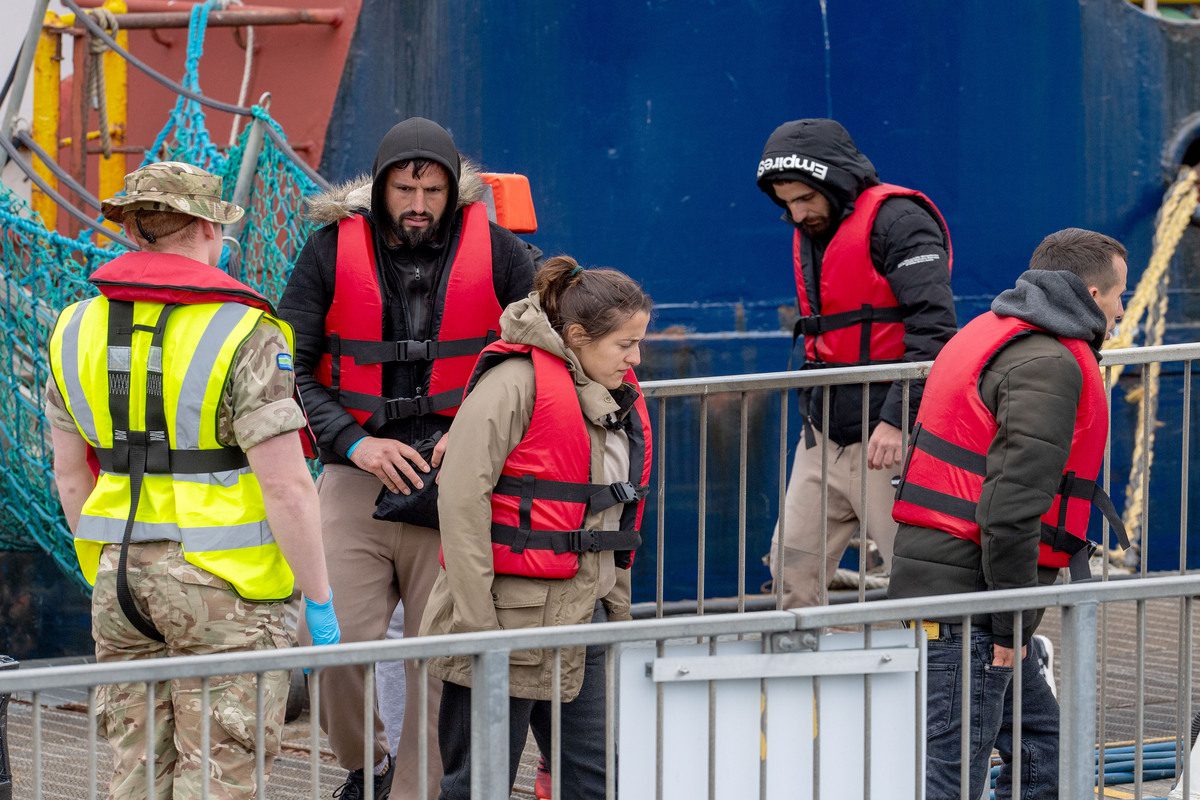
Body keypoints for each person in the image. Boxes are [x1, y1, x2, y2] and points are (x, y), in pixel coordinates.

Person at [45, 161, 341, 800]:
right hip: (228, 587)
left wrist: (106, 565)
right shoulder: (244, 332)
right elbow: (287, 486)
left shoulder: (73, 328)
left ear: (132, 231)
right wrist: (318, 599)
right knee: (220, 779)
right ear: (209, 228)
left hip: (119, 580)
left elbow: (71, 476)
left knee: (134, 774)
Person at [280, 116, 537, 800]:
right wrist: (356, 443)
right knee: (333, 645)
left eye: (431, 189)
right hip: (352, 476)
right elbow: (288, 368)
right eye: (404, 187)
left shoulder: (507, 256)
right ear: (381, 187)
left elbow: (535, 360)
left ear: (455, 191)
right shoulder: (329, 252)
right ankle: (368, 766)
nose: (418, 204)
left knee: (435, 660)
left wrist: (474, 434)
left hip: (455, 485)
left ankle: (412, 793)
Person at [889, 228, 1130, 799]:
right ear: (1092, 295)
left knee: (1043, 742)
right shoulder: (1049, 364)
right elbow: (1012, 509)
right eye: (1121, 295)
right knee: (952, 769)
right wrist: (1010, 623)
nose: (1124, 309)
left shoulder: (997, 331)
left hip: (972, 588)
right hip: (972, 601)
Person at [420, 256, 653, 800]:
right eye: (624, 344)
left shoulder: (614, 396)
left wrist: (612, 601)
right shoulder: (512, 385)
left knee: (596, 777)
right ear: (577, 336)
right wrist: (479, 629)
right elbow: (460, 501)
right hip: (505, 619)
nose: (636, 357)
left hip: (581, 618)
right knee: (480, 784)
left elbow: (610, 513)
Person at [755, 118, 958, 608]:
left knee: (918, 579)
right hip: (823, 433)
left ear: (836, 182)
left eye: (805, 199)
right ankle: (799, 676)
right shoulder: (813, 228)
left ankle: (948, 677)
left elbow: (934, 331)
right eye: (787, 203)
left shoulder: (901, 221)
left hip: (890, 436)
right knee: (791, 568)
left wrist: (896, 419)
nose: (797, 214)